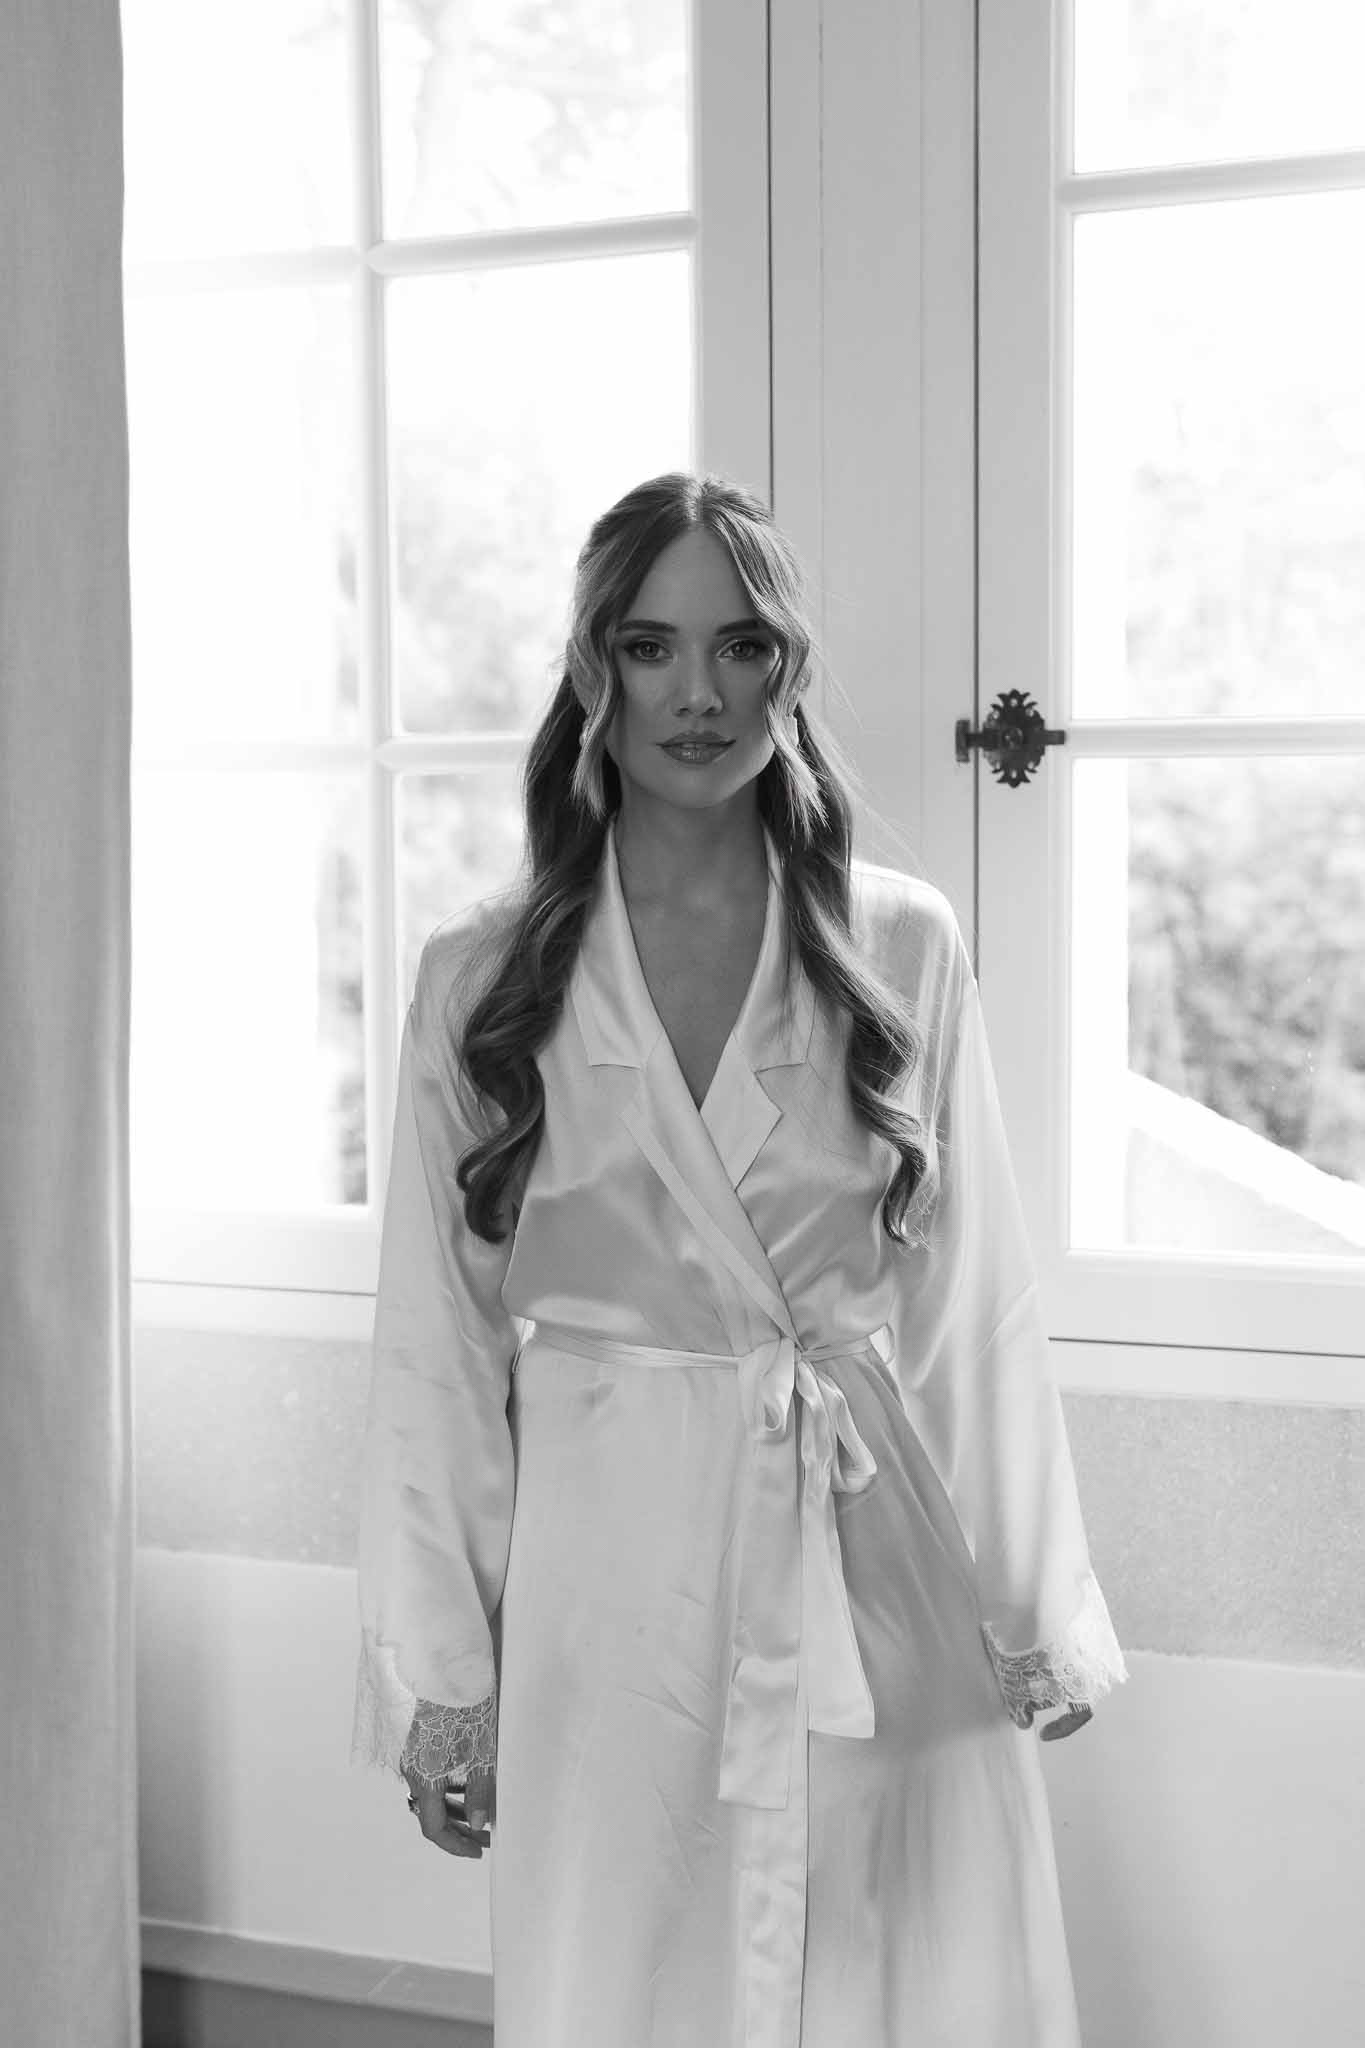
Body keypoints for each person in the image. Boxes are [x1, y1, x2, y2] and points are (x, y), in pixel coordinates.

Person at [350, 470, 1129, 2046]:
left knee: (881, 1965)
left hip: (863, 1562)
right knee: (626, 1971)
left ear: (790, 667)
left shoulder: (897, 943)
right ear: (591, 671)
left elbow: (972, 1305)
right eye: (650, 647)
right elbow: (433, 1352)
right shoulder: (482, 980)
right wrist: (444, 1669)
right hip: (602, 1587)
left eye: (740, 646)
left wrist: (1030, 1607)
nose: (697, 694)